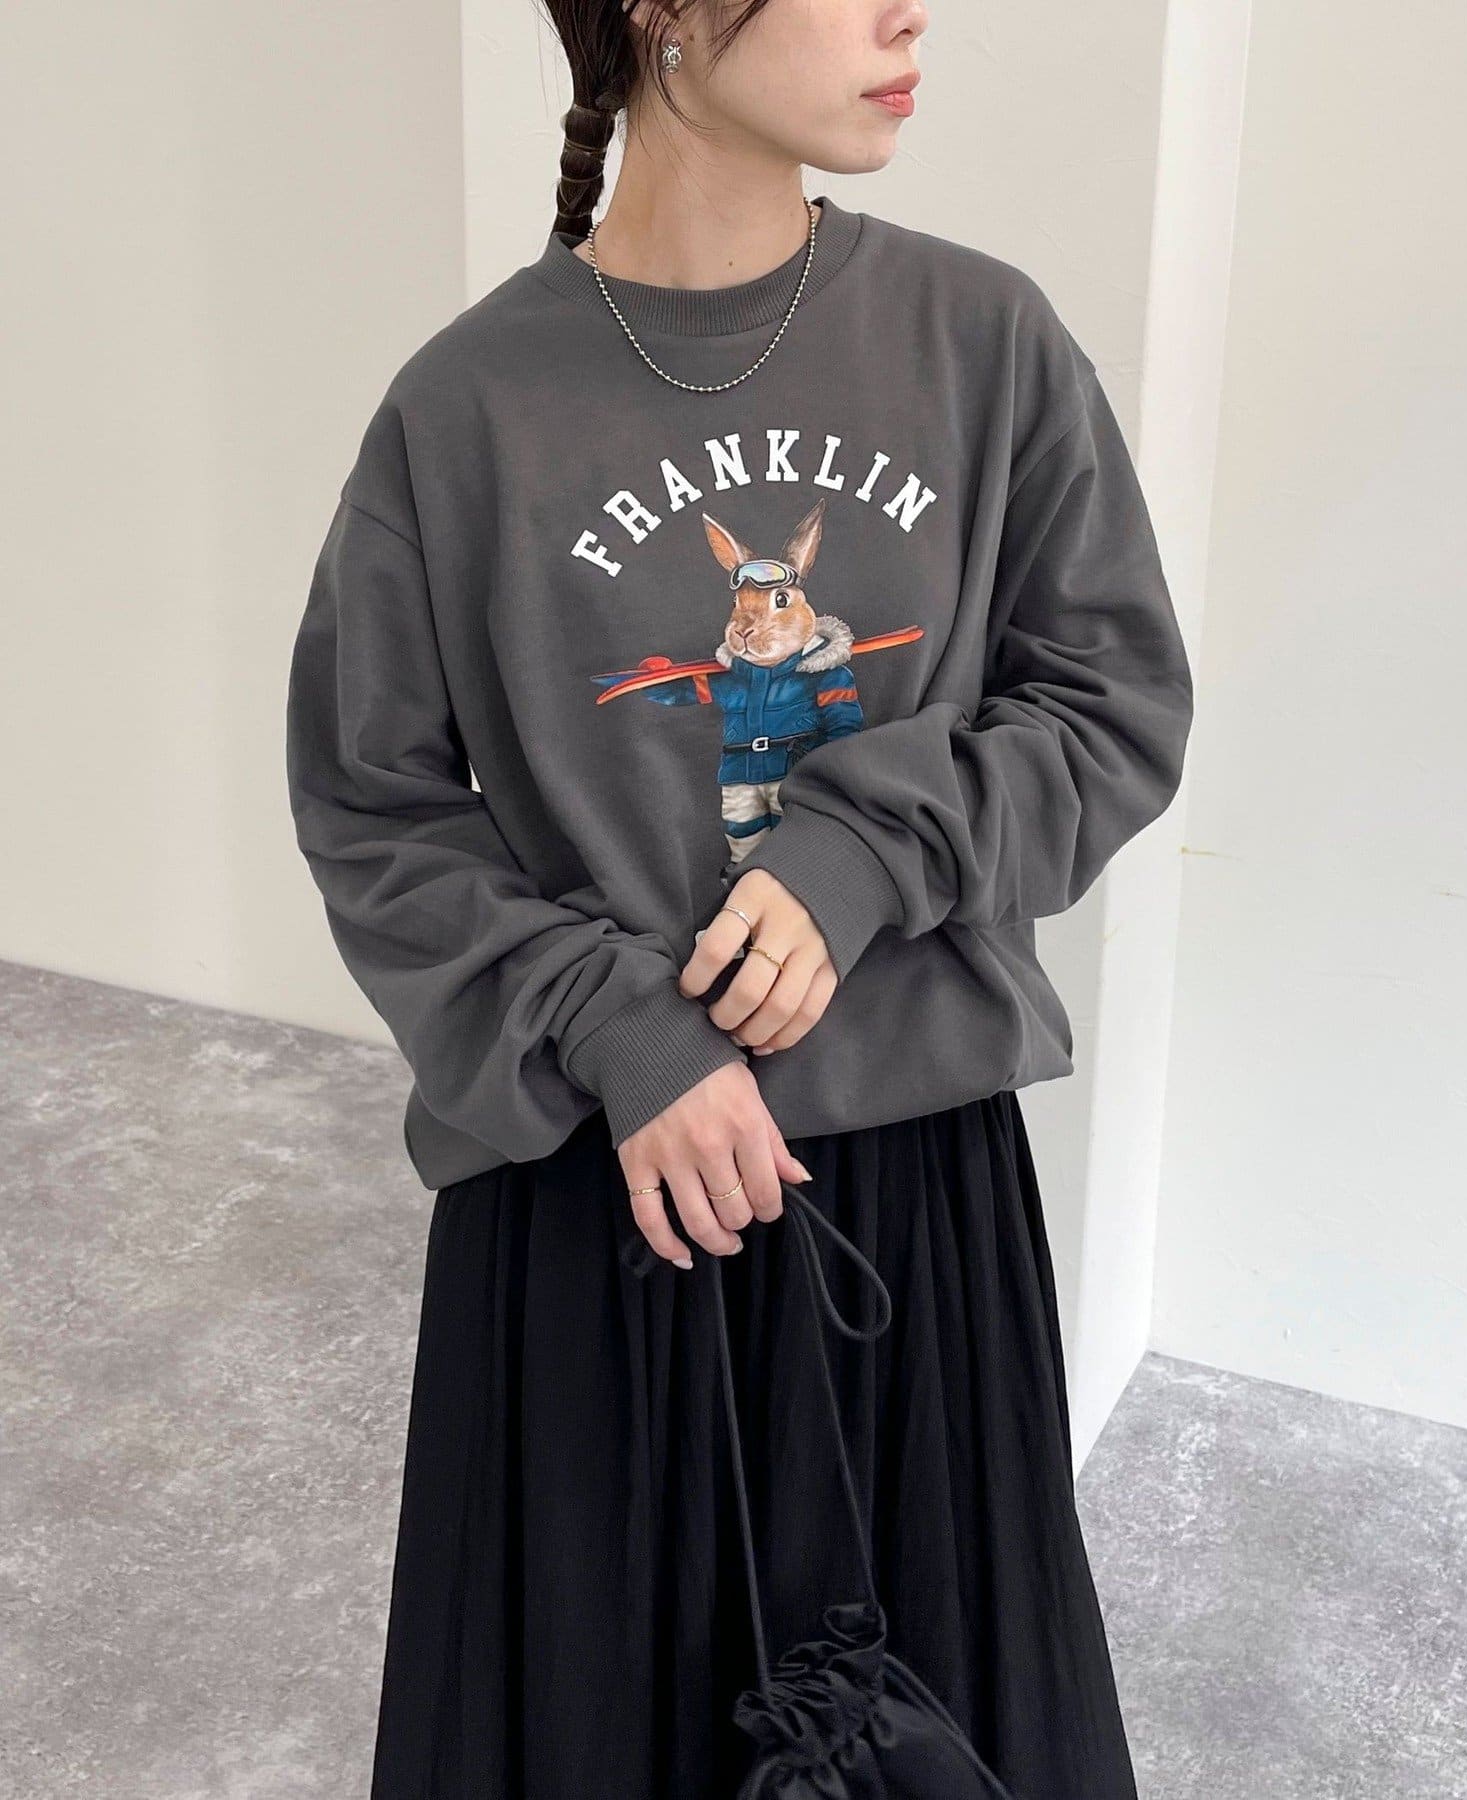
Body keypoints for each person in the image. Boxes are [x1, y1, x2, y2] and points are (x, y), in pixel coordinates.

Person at [284, 0, 1194, 1793]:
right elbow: (371, 805)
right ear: (665, 12)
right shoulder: (466, 408)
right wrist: (617, 1023)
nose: (909, 13)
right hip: (595, 1198)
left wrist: (860, 854)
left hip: (908, 1201)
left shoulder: (981, 340)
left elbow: (1112, 705)